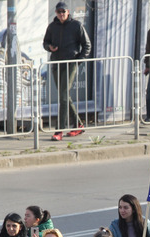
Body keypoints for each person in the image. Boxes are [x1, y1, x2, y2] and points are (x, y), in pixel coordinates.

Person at [43, 2, 91, 141]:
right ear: (56, 13)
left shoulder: (76, 25)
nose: (61, 14)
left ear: (68, 12)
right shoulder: (52, 27)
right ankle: (78, 124)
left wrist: (78, 60)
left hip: (70, 63)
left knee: (63, 95)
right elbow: (45, 42)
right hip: (57, 64)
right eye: (59, 12)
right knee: (64, 96)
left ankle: (59, 130)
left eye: (63, 11)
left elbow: (87, 45)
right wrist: (49, 47)